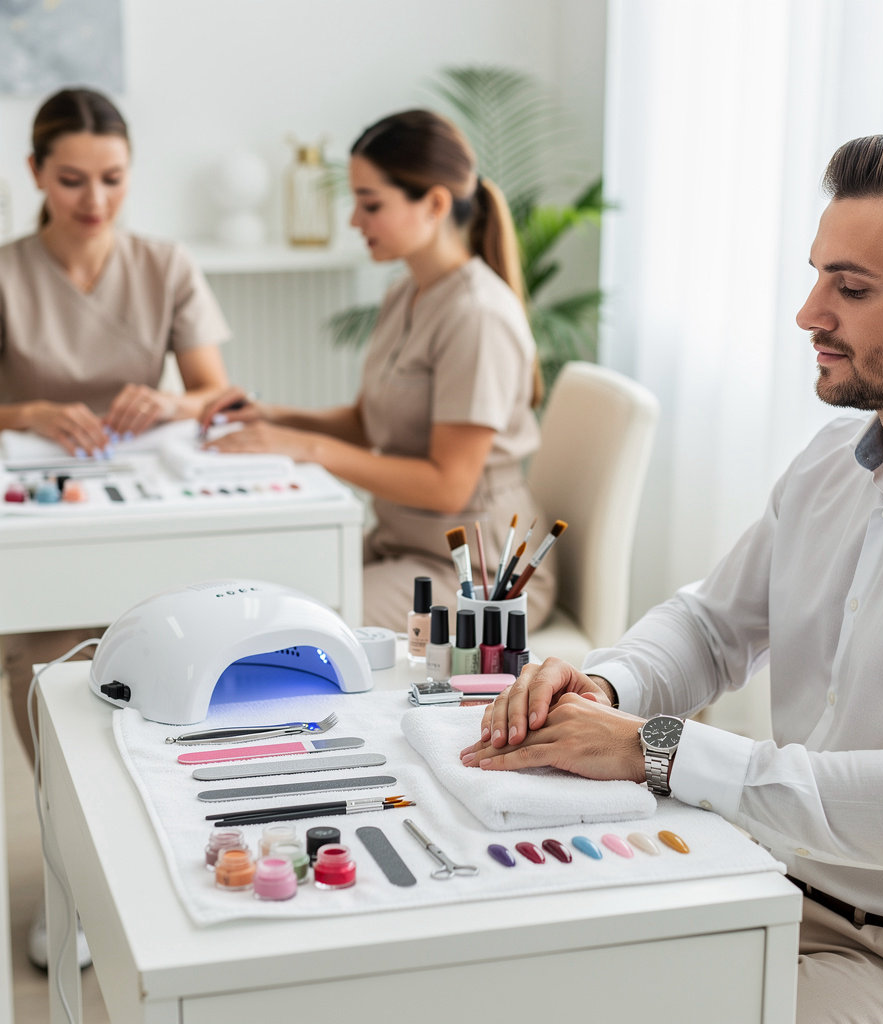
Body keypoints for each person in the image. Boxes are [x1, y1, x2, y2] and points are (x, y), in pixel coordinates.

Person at [461, 132, 883, 1023]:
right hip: (777, 885)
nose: (808, 313)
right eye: (816, 276)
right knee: (510, 966)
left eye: (851, 287)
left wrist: (653, 749)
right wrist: (607, 683)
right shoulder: (834, 457)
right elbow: (715, 626)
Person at [0, 87, 231, 968]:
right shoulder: (7, 271)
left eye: (112, 179)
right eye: (70, 180)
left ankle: (157, 865)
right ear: (35, 174)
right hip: (44, 516)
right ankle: (73, 880)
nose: (94, 200)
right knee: (47, 664)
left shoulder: (163, 263)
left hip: (147, 511)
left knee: (162, 652)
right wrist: (28, 410)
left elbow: (216, 392)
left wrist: (170, 397)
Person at [199, 109, 554, 633]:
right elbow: (371, 424)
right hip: (402, 549)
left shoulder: (477, 315)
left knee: (281, 626)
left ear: (433, 203)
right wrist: (273, 417)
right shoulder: (407, 292)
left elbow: (448, 486)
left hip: (479, 576)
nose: (354, 221)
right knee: (248, 594)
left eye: (370, 204)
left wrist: (306, 447)